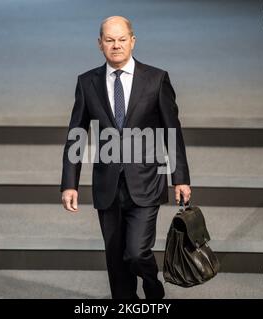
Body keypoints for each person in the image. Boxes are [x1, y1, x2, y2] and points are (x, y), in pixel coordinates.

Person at [61, 16, 191, 299]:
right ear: (100, 44)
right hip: (107, 185)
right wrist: (69, 184)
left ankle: (152, 286)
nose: (116, 45)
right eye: (109, 40)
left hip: (146, 180)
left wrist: (180, 178)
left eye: (122, 39)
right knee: (116, 263)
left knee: (136, 252)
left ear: (133, 41)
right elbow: (76, 135)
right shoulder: (87, 82)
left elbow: (172, 130)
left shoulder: (156, 79)